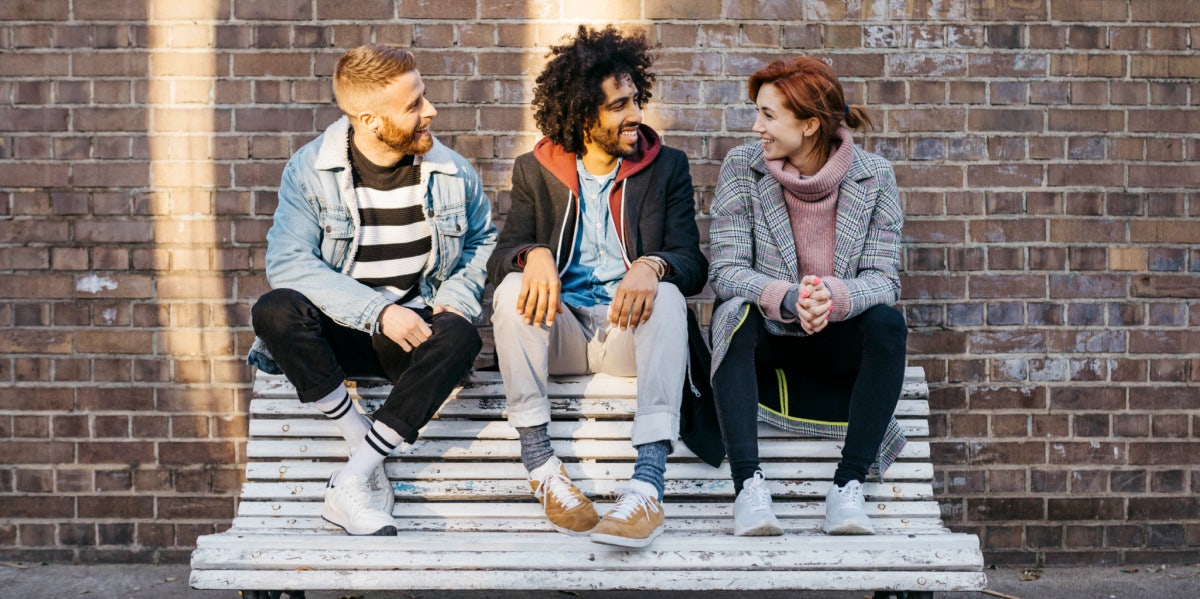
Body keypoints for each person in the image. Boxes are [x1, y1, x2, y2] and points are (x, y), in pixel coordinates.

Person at [247, 45, 496, 536]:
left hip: (408, 342)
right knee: (274, 310)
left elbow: (482, 240)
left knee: (462, 335)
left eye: (424, 96)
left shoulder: (450, 172)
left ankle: (354, 476)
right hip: (337, 340)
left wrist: (457, 296)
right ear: (370, 119)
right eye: (414, 105)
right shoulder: (309, 171)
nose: (431, 111)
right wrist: (378, 311)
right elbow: (288, 262)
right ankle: (358, 437)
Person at [487, 25, 707, 549]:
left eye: (634, 99)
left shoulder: (666, 167)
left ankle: (647, 486)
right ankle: (541, 465)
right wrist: (533, 254)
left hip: (626, 334)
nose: (634, 114)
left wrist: (652, 265)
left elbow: (693, 265)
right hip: (559, 331)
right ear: (583, 115)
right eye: (617, 106)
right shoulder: (535, 171)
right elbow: (503, 257)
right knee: (509, 293)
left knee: (671, 294)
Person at [708, 57, 907, 537]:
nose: (757, 127)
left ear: (811, 124)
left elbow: (884, 279)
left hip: (836, 339)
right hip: (769, 337)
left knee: (887, 323)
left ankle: (848, 485)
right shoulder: (742, 167)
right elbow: (726, 270)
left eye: (769, 115)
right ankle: (748, 487)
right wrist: (789, 295)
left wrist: (832, 296)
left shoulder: (874, 175)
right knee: (731, 313)